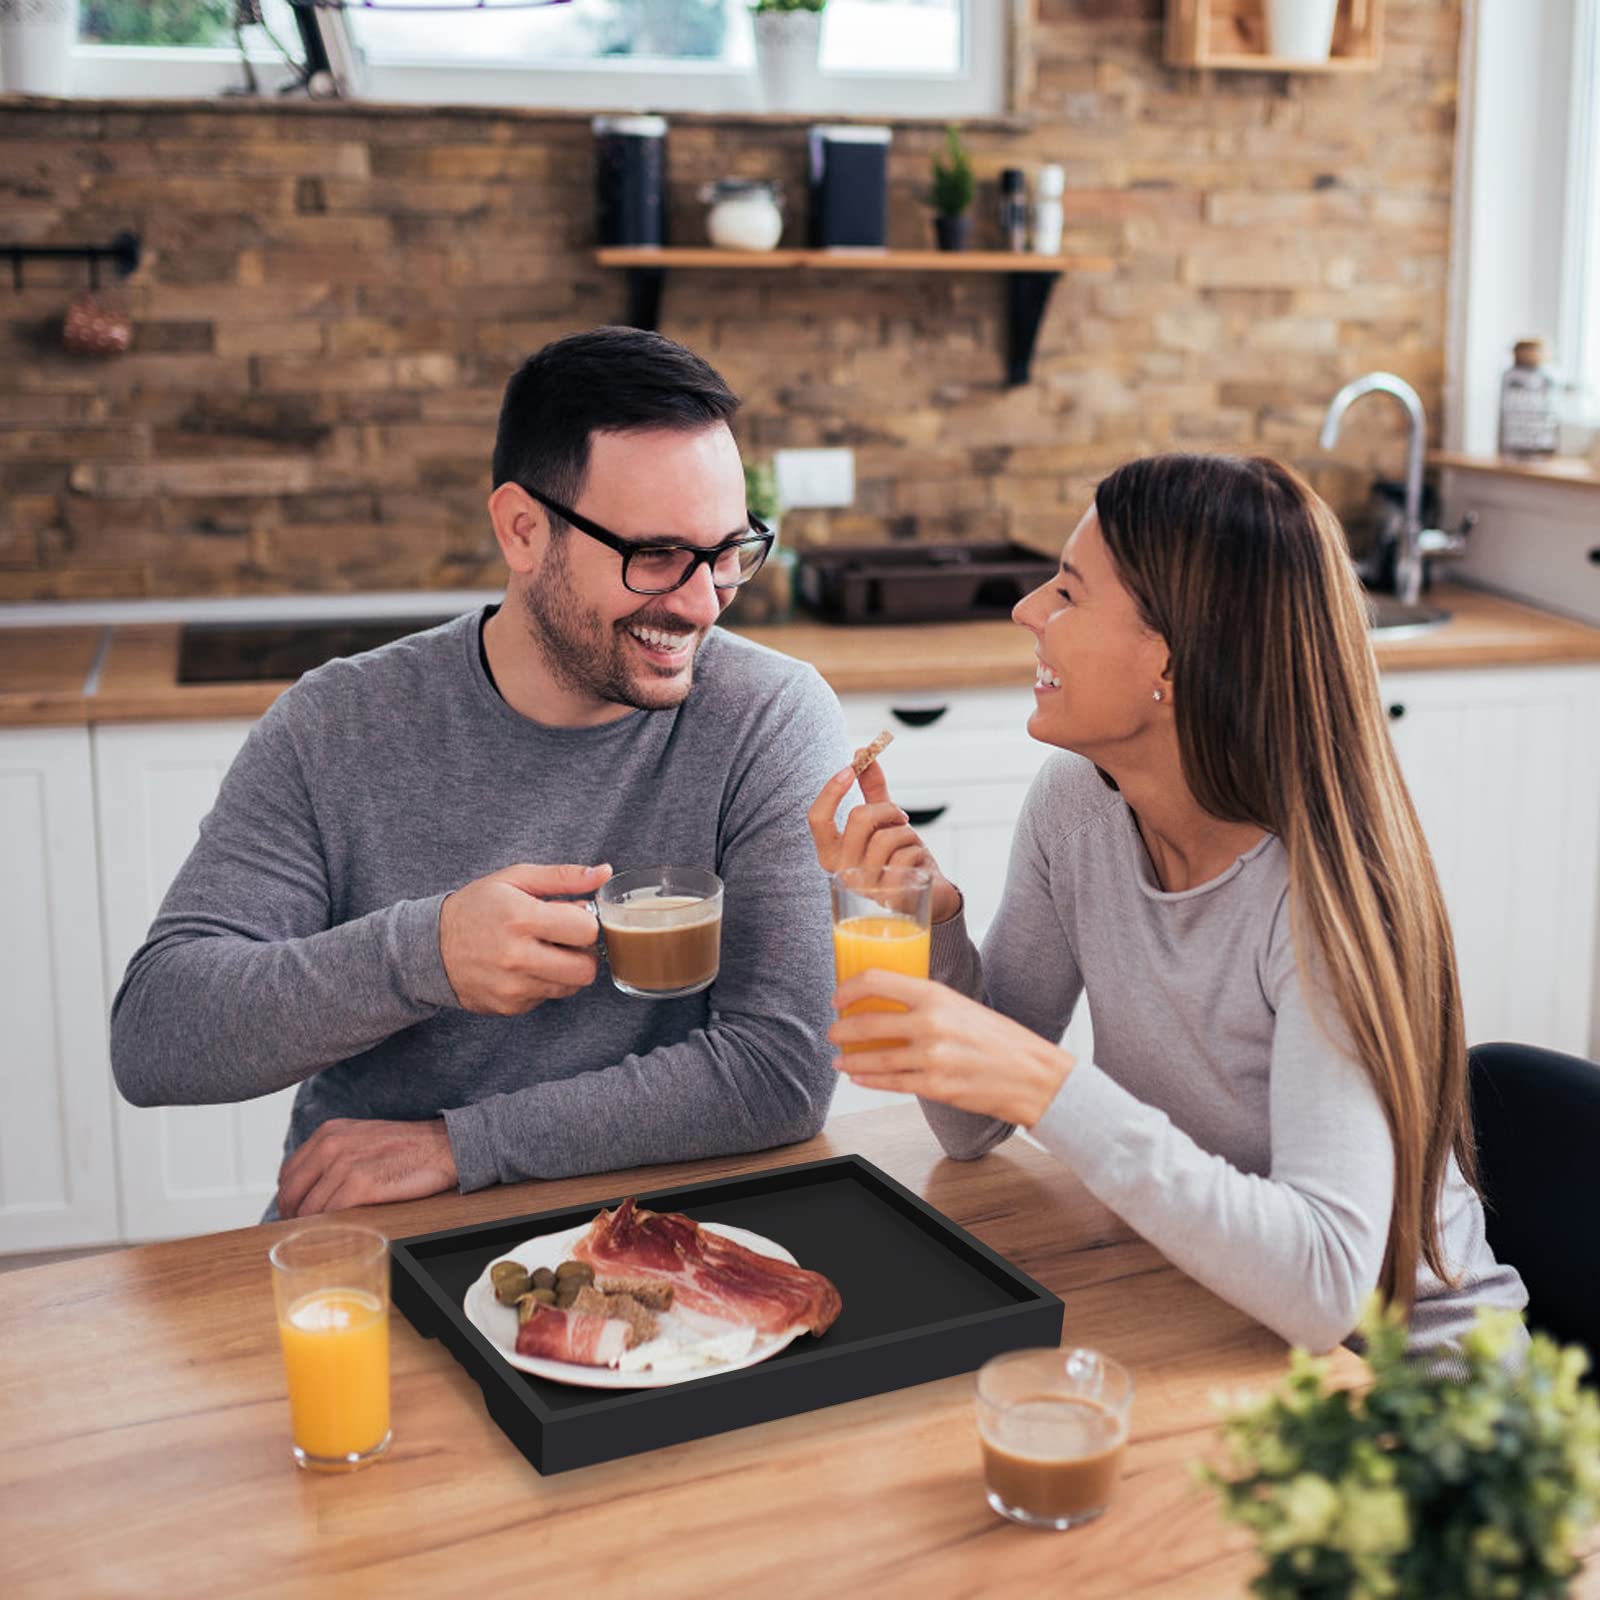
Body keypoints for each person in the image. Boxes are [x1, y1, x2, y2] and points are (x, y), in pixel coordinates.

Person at [112, 326, 849, 1220]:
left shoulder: (770, 717)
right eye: (655, 556)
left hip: (655, 1235)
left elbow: (781, 1070)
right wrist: (427, 956)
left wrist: (462, 1146)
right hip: (385, 1235)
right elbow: (155, 1038)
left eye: (727, 552)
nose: (703, 602)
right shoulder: (338, 723)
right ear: (522, 529)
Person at [808, 452, 1527, 1360]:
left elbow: (1327, 1292)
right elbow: (970, 1128)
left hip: (1410, 1390)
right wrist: (932, 920)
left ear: (1174, 658)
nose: (1027, 610)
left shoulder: (1326, 898)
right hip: (1220, 1319)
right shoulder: (1076, 807)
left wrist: (1048, 1084)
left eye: (1068, 593)